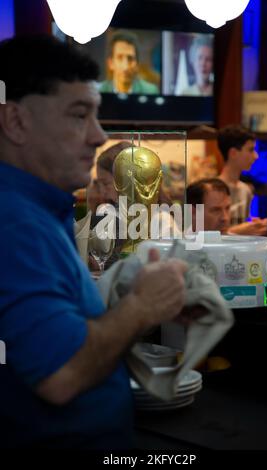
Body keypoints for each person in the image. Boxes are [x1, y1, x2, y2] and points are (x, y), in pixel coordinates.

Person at [0, 34, 187, 450]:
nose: (98, 135)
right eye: (79, 115)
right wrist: (142, 306)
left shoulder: (42, 211)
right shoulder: (15, 221)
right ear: (15, 122)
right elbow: (62, 374)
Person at [217, 124, 267, 234]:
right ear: (233, 153)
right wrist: (240, 231)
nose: (256, 156)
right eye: (250, 150)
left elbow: (242, 225)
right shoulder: (212, 191)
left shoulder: (246, 190)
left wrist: (255, 226)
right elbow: (201, 234)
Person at [186, 178, 267, 236]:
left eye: (227, 208)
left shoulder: (236, 241)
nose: (225, 218)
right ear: (193, 212)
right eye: (216, 210)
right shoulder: (179, 249)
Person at [98, 31, 159, 95]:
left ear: (137, 64)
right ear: (110, 63)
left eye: (130, 58)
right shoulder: (99, 91)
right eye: (120, 58)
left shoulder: (151, 91)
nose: (125, 67)